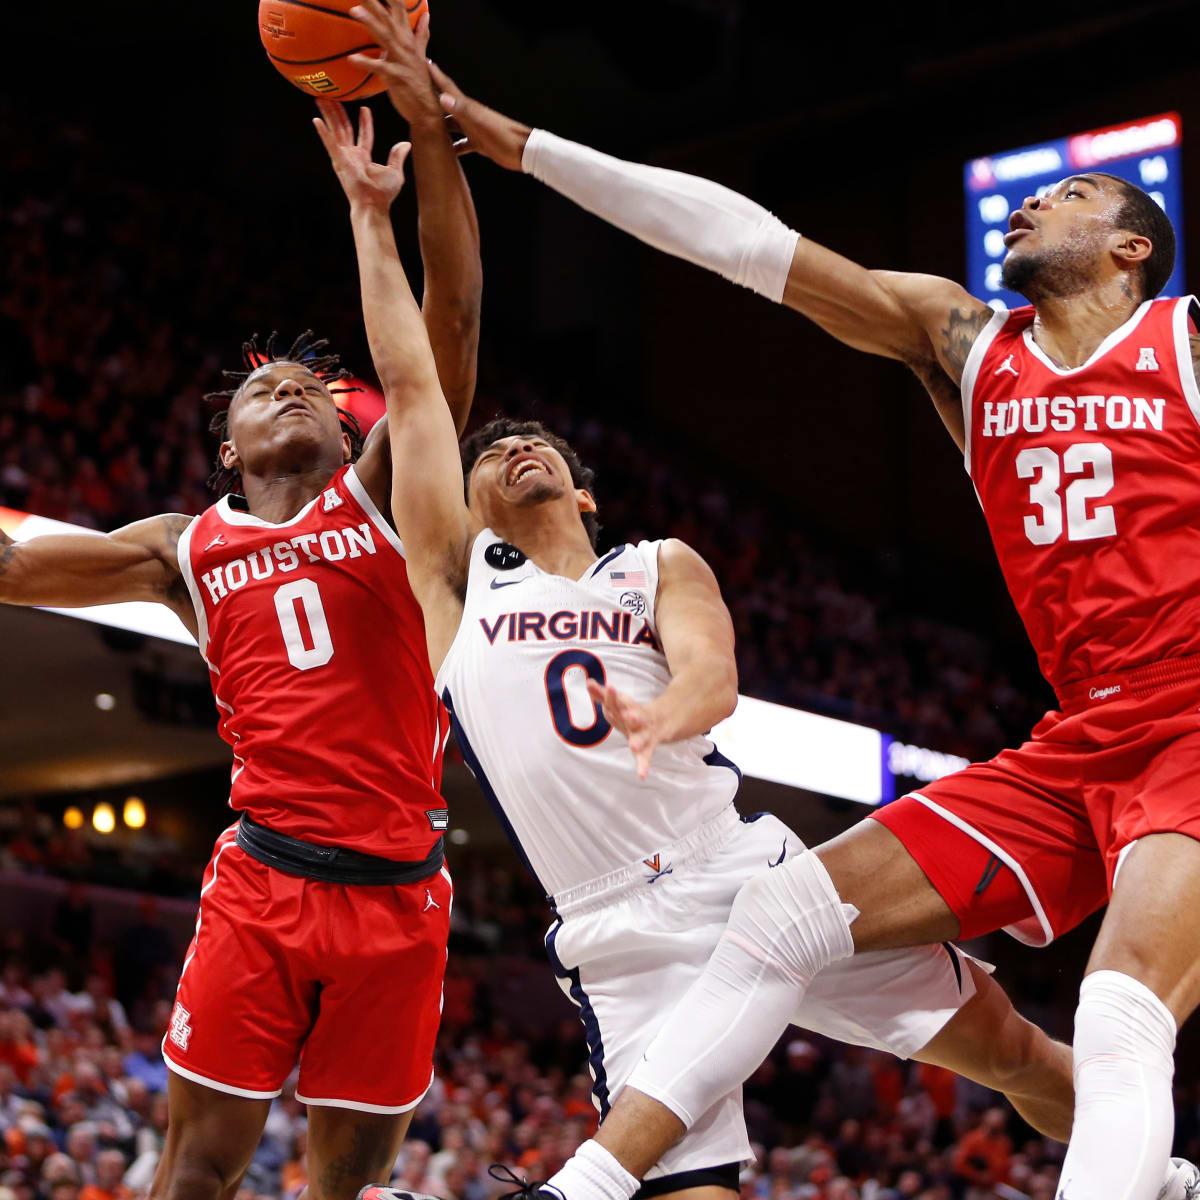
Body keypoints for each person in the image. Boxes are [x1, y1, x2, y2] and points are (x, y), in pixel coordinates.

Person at [307, 38, 1175, 1200]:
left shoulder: (1184, 342)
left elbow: (710, 672)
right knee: (818, 929)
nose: (1029, 201)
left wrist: (676, 705)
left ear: (1132, 249)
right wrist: (511, 142)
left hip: (1187, 726)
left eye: (1069, 194)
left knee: (1110, 1018)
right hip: (1067, 742)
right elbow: (744, 245)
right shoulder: (964, 344)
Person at [0, 17, 481, 1198]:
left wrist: (426, 153)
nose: (289, 381)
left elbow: (450, 327)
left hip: (399, 894)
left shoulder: (379, 501)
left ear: (344, 426)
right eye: (263, 383)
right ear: (228, 446)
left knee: (340, 1185)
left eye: (313, 380)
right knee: (195, 1173)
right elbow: (11, 571)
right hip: (260, 881)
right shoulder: (184, 547)